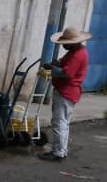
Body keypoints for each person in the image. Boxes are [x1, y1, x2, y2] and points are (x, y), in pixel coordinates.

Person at [38, 27, 90, 162]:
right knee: (63, 123)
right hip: (68, 91)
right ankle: (61, 150)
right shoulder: (76, 51)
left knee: (59, 122)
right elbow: (64, 65)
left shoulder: (77, 54)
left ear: (72, 42)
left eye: (65, 43)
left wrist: (52, 68)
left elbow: (66, 73)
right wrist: (56, 64)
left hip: (66, 91)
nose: (64, 46)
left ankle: (58, 152)